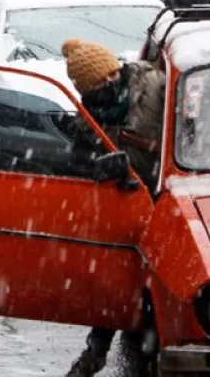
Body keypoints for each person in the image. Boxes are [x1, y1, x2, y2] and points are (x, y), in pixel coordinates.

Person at [61, 38, 165, 377]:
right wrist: (101, 167)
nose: (106, 86)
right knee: (114, 277)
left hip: (166, 197)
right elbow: (77, 160)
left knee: (159, 283)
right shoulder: (90, 116)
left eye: (108, 78)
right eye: (96, 85)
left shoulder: (154, 86)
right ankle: (97, 350)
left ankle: (155, 346)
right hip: (125, 203)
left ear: (115, 69)